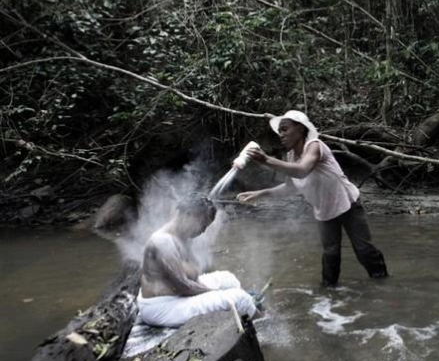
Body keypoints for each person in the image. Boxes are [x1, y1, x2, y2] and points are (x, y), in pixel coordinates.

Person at [236, 110, 389, 287]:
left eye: (285, 129)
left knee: (364, 250)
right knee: (330, 253)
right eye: (280, 131)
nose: (281, 135)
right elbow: (290, 186)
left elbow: (302, 170)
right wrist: (260, 194)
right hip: (324, 210)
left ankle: (383, 286)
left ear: (300, 129)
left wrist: (265, 160)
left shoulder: (314, 146)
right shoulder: (292, 156)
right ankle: (329, 295)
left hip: (348, 204)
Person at [137, 195, 259, 328]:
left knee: (228, 279)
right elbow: (183, 287)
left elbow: (192, 277)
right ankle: (263, 327)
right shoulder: (163, 241)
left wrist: (218, 291)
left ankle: (247, 313)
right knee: (240, 298)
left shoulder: (183, 237)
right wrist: (217, 293)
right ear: (188, 214)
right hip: (162, 307)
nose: (203, 231)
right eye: (203, 225)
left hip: (177, 295)